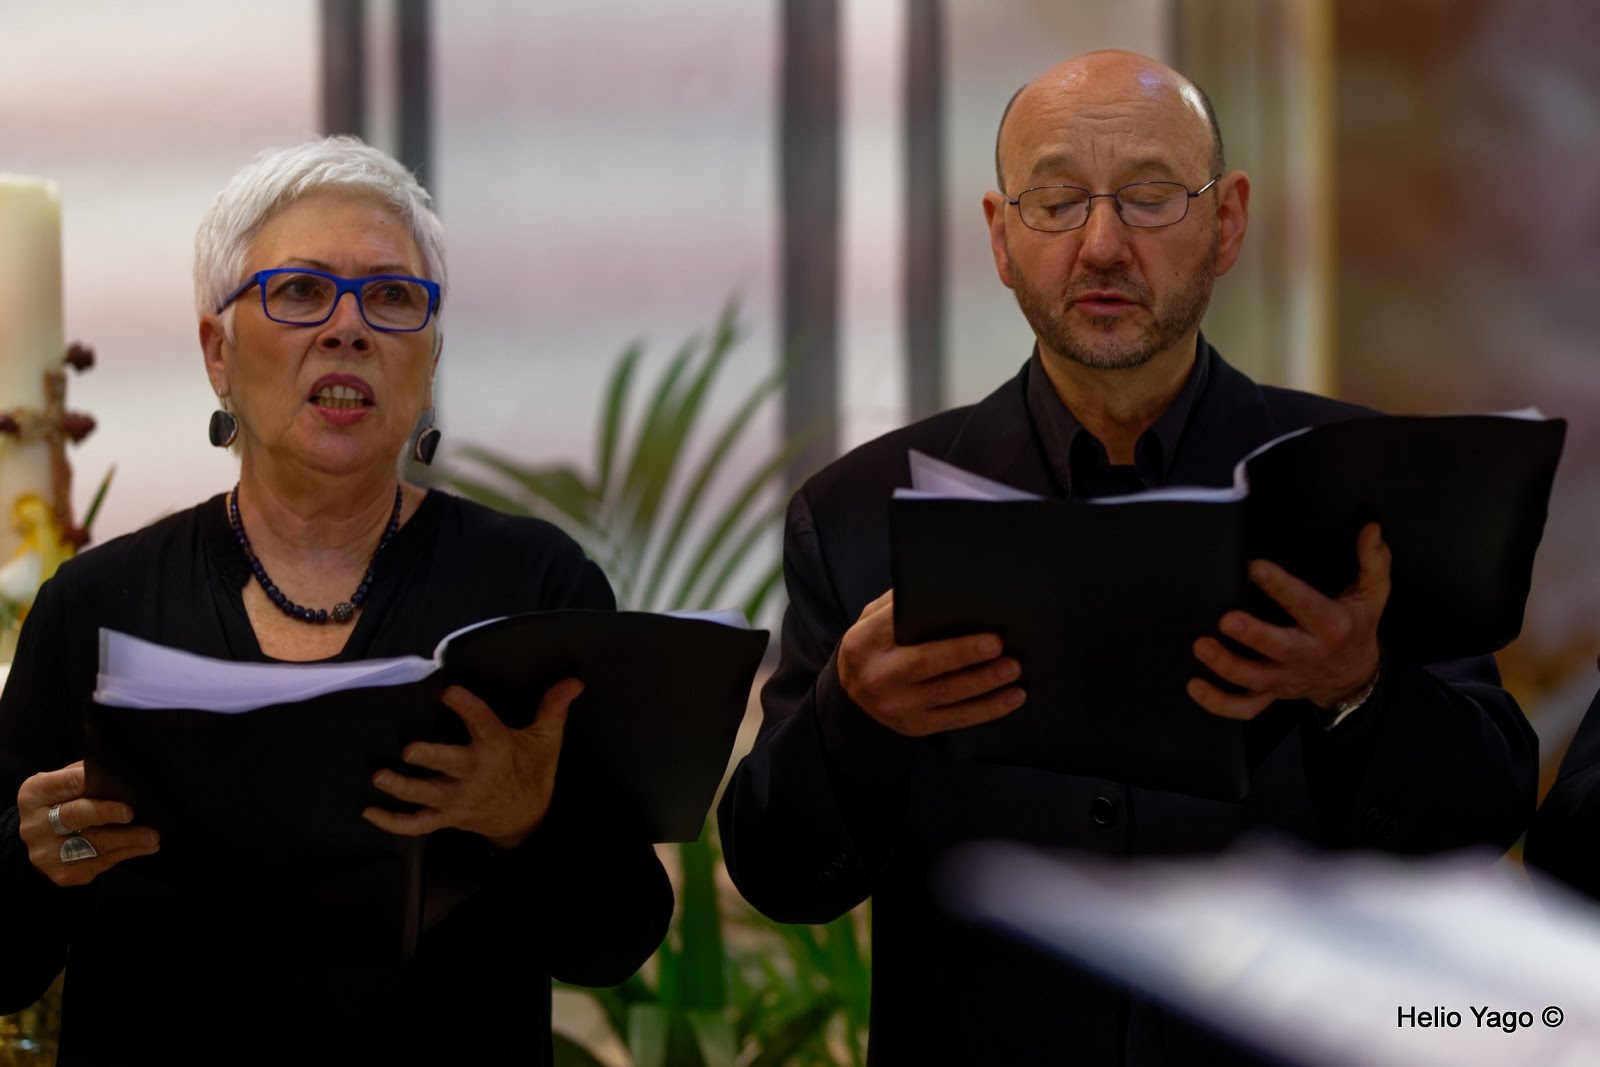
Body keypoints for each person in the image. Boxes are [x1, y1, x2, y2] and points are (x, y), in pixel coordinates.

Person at [718, 50, 1537, 1064]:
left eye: (1150, 198)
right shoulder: (858, 512)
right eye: (1055, 200)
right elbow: (781, 875)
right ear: (1000, 236)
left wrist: (1356, 690)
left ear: (1227, 221)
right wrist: (855, 716)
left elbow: (1484, 816)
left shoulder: (1361, 484)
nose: (1101, 246)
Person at [0, 137, 672, 1064]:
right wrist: (45, 857)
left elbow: (616, 937)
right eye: (302, 290)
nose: (349, 327)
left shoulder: (532, 587)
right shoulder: (98, 603)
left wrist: (525, 816)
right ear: (216, 351)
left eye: (392, 297)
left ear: (429, 357)